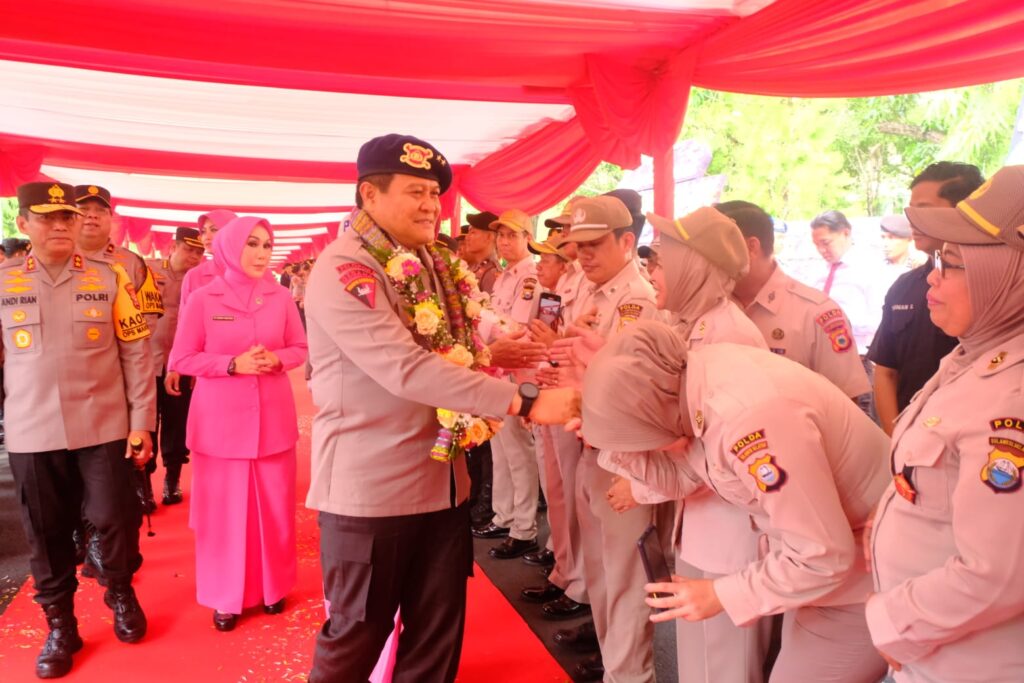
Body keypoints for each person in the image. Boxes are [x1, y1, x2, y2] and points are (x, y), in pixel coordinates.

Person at [304, 133, 577, 683]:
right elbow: (404, 367)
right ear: (369, 195)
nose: (431, 205)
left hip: (443, 482)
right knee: (357, 637)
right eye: (415, 192)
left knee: (436, 637)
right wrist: (524, 400)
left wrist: (501, 348)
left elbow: (452, 345)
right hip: (373, 490)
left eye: (434, 193)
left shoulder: (430, 262)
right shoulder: (347, 267)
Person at [583, 322, 890, 683]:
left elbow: (823, 556)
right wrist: (609, 437)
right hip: (834, 572)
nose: (644, 446)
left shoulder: (748, 419)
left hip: (868, 577)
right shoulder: (693, 383)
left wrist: (721, 594)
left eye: (636, 434)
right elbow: (687, 477)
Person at [867, 165, 1024, 681]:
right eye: (939, 261)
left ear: (1009, 275)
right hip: (930, 647)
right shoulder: (973, 356)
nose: (933, 276)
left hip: (967, 662)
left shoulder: (1012, 399)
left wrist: (892, 622)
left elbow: (999, 576)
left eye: (952, 264)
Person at [4, 182, 155, 679]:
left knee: (117, 518)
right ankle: (61, 625)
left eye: (66, 217)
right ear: (23, 223)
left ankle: (120, 591)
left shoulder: (110, 277)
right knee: (46, 534)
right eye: (47, 218)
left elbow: (136, 353)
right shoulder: (4, 282)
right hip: (33, 430)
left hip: (103, 425)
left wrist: (141, 422)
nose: (60, 226)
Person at [637, 207, 770, 683]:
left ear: (694, 266)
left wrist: (640, 482)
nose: (653, 271)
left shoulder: (727, 337)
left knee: (723, 666)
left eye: (662, 259)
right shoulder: (696, 325)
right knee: (701, 662)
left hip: (730, 532)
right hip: (705, 522)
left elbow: (723, 457)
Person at [168, 215, 307, 632]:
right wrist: (231, 364)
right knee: (223, 516)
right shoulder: (203, 298)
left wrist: (277, 359)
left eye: (267, 245)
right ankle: (224, 595)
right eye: (252, 244)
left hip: (273, 421)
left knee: (274, 510)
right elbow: (182, 358)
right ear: (230, 247)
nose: (262, 253)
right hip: (219, 426)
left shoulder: (280, 297)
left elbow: (300, 347)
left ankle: (273, 587)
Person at [553, 194, 659, 682]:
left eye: (594, 244)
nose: (583, 255)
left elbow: (631, 385)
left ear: (627, 241)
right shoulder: (596, 294)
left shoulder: (638, 299)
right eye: (579, 246)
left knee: (625, 575)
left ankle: (629, 673)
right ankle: (613, 659)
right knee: (600, 569)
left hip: (627, 457)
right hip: (592, 446)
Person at [868, 162, 984, 435]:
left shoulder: (991, 287)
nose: (912, 221)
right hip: (908, 437)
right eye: (910, 211)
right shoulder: (903, 287)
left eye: (924, 210)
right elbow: (885, 370)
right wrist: (895, 437)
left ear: (964, 212)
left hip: (972, 435)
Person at [75, 184, 164, 512]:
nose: (91, 217)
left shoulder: (131, 262)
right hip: (72, 376)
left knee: (135, 434)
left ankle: (141, 485)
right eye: (84, 210)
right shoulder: (52, 258)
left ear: (110, 219)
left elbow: (148, 317)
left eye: (100, 211)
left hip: (121, 369)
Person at [725, 200, 870, 399]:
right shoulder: (707, 307)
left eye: (715, 245)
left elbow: (846, 401)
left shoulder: (817, 313)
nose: (706, 256)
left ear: (751, 247)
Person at [472, 208, 543, 560]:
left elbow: (514, 326)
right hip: (498, 367)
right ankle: (504, 516)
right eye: (500, 235)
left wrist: (483, 332)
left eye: (512, 235)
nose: (504, 241)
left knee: (517, 451)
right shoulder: (504, 276)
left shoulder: (530, 277)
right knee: (500, 449)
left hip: (517, 370)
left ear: (528, 238)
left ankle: (524, 528)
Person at [146, 227, 206, 505]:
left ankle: (172, 479)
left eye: (198, 252)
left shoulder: (203, 280)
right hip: (147, 361)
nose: (193, 256)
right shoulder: (147, 271)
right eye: (188, 249)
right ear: (173, 247)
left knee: (177, 423)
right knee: (146, 423)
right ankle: (143, 483)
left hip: (183, 363)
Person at [808, 209, 878, 415]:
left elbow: (880, 319)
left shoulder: (869, 268)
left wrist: (836, 322)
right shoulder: (817, 271)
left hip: (856, 358)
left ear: (845, 233)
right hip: (822, 361)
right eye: (816, 245)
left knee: (859, 418)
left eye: (826, 242)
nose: (821, 250)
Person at [179, 209, 238, 307]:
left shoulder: (255, 272)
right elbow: (184, 315)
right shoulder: (194, 276)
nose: (206, 237)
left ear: (233, 232)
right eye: (203, 231)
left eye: (214, 230)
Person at [459, 211, 503, 294]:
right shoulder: (475, 266)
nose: (467, 237)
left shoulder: (492, 273)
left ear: (489, 237)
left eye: (473, 232)